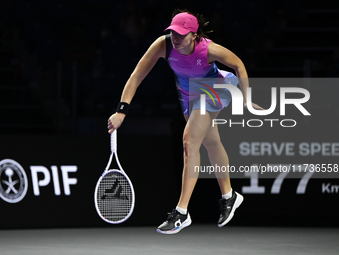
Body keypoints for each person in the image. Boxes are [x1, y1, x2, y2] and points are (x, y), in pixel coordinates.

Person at [107, 9, 263, 234]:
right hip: (189, 95)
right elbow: (136, 76)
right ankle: (229, 196)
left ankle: (181, 212)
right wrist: (122, 111)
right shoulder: (164, 45)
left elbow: (238, 65)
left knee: (189, 141)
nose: (176, 38)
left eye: (181, 34)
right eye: (173, 33)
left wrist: (247, 101)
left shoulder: (207, 48)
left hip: (217, 87)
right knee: (210, 142)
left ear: (194, 34)